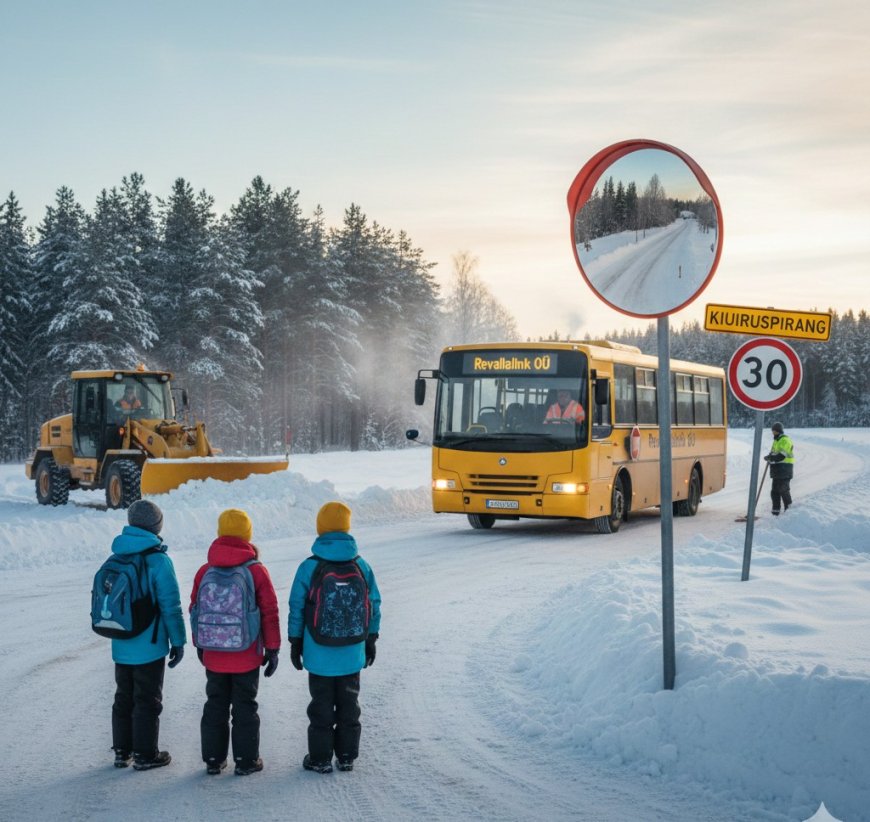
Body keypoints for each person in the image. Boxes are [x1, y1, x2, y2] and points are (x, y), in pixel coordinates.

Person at [288, 501, 381, 774]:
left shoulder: (309, 567)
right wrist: (371, 637)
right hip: (352, 653)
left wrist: (296, 641)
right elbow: (374, 603)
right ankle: (347, 756)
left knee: (321, 708)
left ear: (320, 529)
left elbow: (297, 607)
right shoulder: (361, 565)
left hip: (318, 653)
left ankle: (319, 759)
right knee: (349, 706)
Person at [190, 509, 281, 776]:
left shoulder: (206, 569)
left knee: (215, 704)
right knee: (245, 706)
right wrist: (272, 648)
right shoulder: (256, 571)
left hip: (214, 654)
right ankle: (245, 760)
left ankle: (213, 760)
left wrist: (200, 643)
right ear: (247, 535)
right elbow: (270, 612)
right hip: (247, 654)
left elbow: (195, 608)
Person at [109, 499, 186, 770]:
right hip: (150, 647)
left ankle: (122, 751)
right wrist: (178, 641)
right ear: (156, 526)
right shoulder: (158, 560)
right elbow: (170, 606)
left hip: (120, 643)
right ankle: (145, 755)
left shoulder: (116, 556)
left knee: (123, 697)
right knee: (147, 700)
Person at [764, 421, 795, 515]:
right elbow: (774, 453)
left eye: (775, 431)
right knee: (774, 492)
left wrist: (772, 458)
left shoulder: (785, 440)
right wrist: (769, 456)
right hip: (777, 470)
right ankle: (775, 512)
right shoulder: (776, 441)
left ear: (779, 431)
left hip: (784, 469)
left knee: (784, 491)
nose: (773, 433)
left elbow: (782, 455)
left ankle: (789, 511)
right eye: (773, 431)